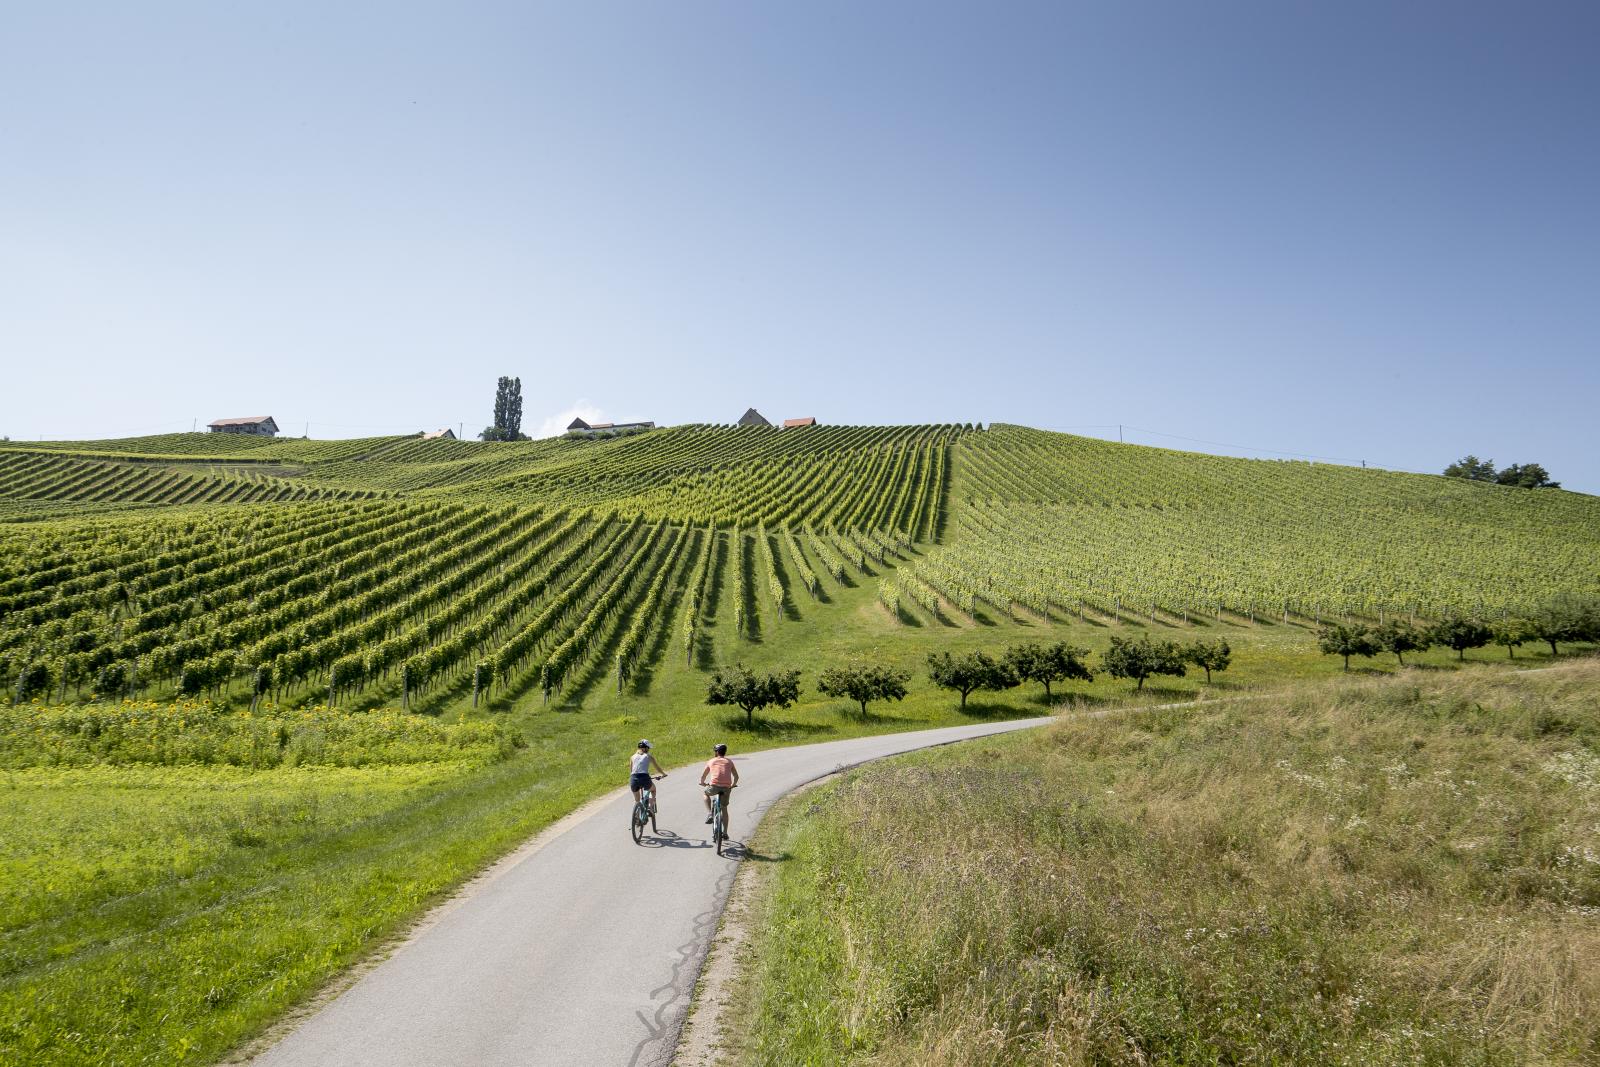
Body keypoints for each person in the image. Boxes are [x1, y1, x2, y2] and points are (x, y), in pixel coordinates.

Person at [700, 743, 739, 830]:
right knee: (724, 809)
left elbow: (704, 775)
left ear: (716, 752)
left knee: (705, 794)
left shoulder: (711, 761)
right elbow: (736, 776)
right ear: (724, 752)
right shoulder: (729, 761)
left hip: (714, 786)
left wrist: (702, 783)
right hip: (726, 788)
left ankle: (710, 813)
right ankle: (725, 833)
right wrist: (732, 785)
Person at [629, 740, 666, 814]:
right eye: (648, 748)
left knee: (637, 800)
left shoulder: (632, 757)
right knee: (653, 789)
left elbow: (631, 771)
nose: (648, 750)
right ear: (644, 748)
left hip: (633, 779)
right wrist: (663, 774)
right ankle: (650, 806)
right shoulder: (649, 756)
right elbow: (657, 768)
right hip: (644, 778)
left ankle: (636, 815)